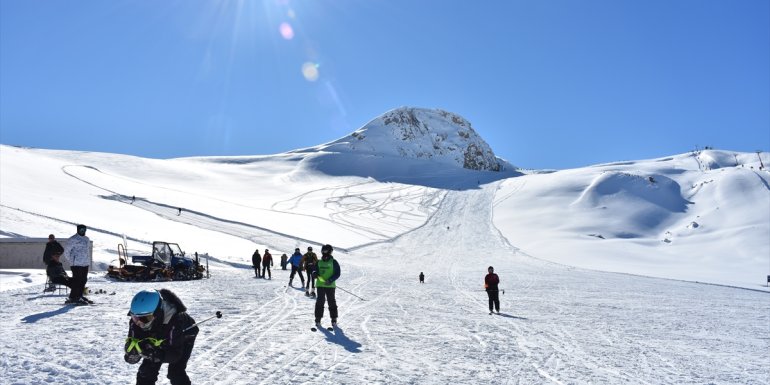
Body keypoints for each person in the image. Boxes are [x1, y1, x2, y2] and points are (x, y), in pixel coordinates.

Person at [124, 289, 199, 385]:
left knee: (175, 372)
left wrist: (156, 355)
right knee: (146, 372)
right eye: (134, 317)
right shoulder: (136, 323)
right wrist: (132, 354)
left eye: (144, 318)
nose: (139, 323)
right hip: (157, 337)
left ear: (157, 313)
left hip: (185, 334)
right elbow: (134, 344)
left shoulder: (174, 320)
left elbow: (175, 354)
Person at [311, 244, 341, 328]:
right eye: (323, 251)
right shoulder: (319, 262)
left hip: (330, 286)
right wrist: (314, 273)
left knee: (331, 302)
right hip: (320, 285)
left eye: (326, 251)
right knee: (320, 301)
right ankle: (318, 319)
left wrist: (330, 280)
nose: (324, 252)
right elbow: (314, 270)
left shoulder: (333, 262)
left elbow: (337, 273)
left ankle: (334, 319)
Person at [62, 224, 92, 305]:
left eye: (84, 230)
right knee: (77, 280)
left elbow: (87, 251)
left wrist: (87, 260)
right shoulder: (72, 239)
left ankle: (79, 295)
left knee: (83, 280)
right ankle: (73, 297)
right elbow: (66, 252)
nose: (82, 231)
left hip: (85, 263)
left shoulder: (86, 239)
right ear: (78, 230)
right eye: (81, 230)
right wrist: (72, 260)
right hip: (76, 264)